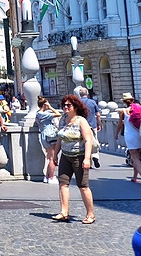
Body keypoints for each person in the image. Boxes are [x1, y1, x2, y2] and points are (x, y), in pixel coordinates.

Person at [51, 94, 96, 225]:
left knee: (83, 186)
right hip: (65, 156)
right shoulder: (63, 119)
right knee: (63, 184)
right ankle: (64, 212)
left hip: (79, 156)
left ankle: (90, 214)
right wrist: (55, 154)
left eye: (68, 105)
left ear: (75, 106)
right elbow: (60, 137)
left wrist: (87, 159)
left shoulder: (81, 120)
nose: (65, 107)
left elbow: (88, 140)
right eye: (64, 105)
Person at [118, 93, 141, 186]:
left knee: (135, 158)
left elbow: (120, 124)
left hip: (130, 136)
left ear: (124, 102)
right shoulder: (139, 109)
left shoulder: (122, 111)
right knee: (137, 157)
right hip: (139, 135)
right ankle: (135, 177)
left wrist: (116, 134)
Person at [35, 96, 62, 184]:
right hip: (50, 134)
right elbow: (58, 114)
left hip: (44, 134)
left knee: (50, 156)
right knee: (52, 158)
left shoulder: (37, 113)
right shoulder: (43, 114)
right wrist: (50, 107)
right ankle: (51, 177)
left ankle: (47, 176)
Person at [78, 87, 102, 168]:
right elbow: (98, 115)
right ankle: (95, 156)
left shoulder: (77, 103)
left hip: (81, 126)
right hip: (92, 125)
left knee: (84, 143)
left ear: (80, 94)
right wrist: (99, 124)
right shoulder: (92, 102)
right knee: (94, 141)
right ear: (87, 93)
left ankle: (89, 161)